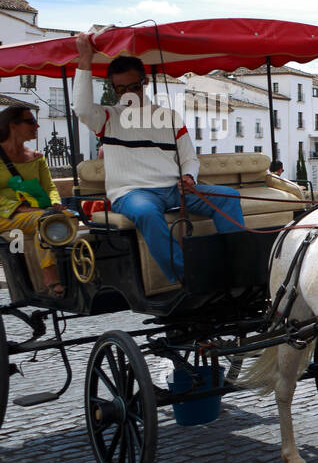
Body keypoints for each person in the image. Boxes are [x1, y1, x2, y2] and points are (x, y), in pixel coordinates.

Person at [74, 31, 245, 282]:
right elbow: (81, 108)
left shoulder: (170, 117)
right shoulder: (107, 118)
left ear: (144, 83)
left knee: (228, 197)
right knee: (145, 212)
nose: (127, 93)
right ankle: (187, 277)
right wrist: (85, 59)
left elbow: (189, 158)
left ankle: (238, 267)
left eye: (132, 87)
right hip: (131, 193)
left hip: (173, 189)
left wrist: (188, 176)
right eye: (120, 89)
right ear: (113, 88)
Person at [0, 106, 64, 294]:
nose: (37, 125)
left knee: (67, 219)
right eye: (31, 121)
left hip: (37, 211)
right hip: (0, 217)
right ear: (13, 126)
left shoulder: (37, 157)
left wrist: (55, 201)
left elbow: (49, 188)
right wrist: (17, 208)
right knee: (46, 220)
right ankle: (49, 276)